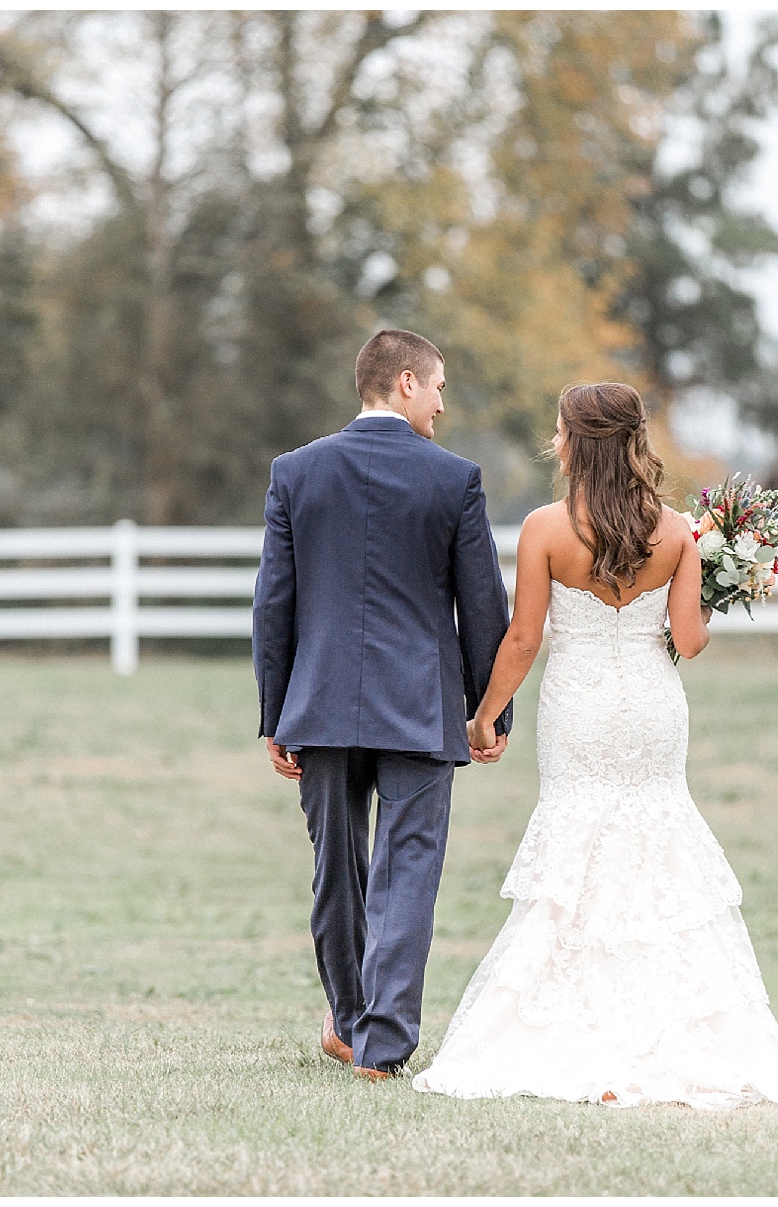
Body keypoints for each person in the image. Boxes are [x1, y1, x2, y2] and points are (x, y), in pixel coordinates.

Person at [412, 381, 778, 1110]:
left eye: (557, 429)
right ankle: (671, 1026)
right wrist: (713, 587)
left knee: (579, 842)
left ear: (575, 442)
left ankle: (573, 1026)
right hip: (652, 710)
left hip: (579, 710)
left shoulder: (546, 528)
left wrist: (484, 714)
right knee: (658, 840)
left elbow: (523, 639)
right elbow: (688, 640)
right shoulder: (677, 530)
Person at [252, 328, 513, 1080]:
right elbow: (482, 608)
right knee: (409, 868)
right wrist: (489, 710)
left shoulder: (295, 471)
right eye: (436, 385)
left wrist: (276, 711)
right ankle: (382, 1041)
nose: (441, 401)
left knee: (337, 868)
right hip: (421, 708)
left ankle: (350, 1018)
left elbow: (275, 602)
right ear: (403, 382)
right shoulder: (454, 478)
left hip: (321, 704)